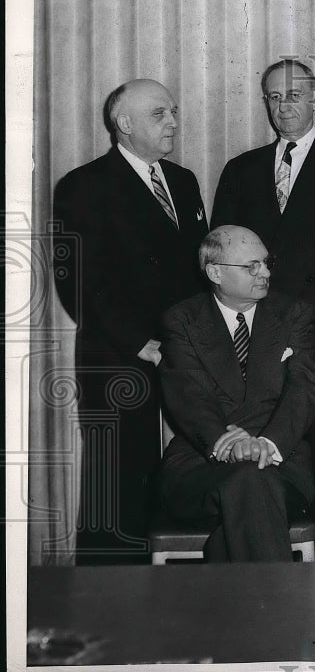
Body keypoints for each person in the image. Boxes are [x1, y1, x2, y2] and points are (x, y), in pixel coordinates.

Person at [211, 58, 315, 557]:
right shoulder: (240, 169)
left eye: (295, 95)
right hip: (254, 333)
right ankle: (267, 561)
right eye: (274, 98)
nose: (284, 107)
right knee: (263, 442)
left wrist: (294, 320)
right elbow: (222, 250)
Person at [53, 78, 208, 564]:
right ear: (125, 125)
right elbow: (77, 281)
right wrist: (141, 342)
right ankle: (109, 605)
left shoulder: (183, 181)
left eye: (175, 111)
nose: (175, 123)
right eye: (161, 114)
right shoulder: (83, 185)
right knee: (117, 486)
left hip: (183, 350)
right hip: (118, 355)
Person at [157, 226, 315, 561]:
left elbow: (305, 389)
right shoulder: (183, 319)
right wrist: (228, 443)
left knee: (248, 487)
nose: (266, 272)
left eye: (266, 262)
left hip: (280, 461)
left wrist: (267, 444)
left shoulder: (293, 314)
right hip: (202, 465)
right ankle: (271, 608)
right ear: (215, 272)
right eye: (252, 266)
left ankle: (244, 608)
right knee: (248, 487)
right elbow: (188, 395)